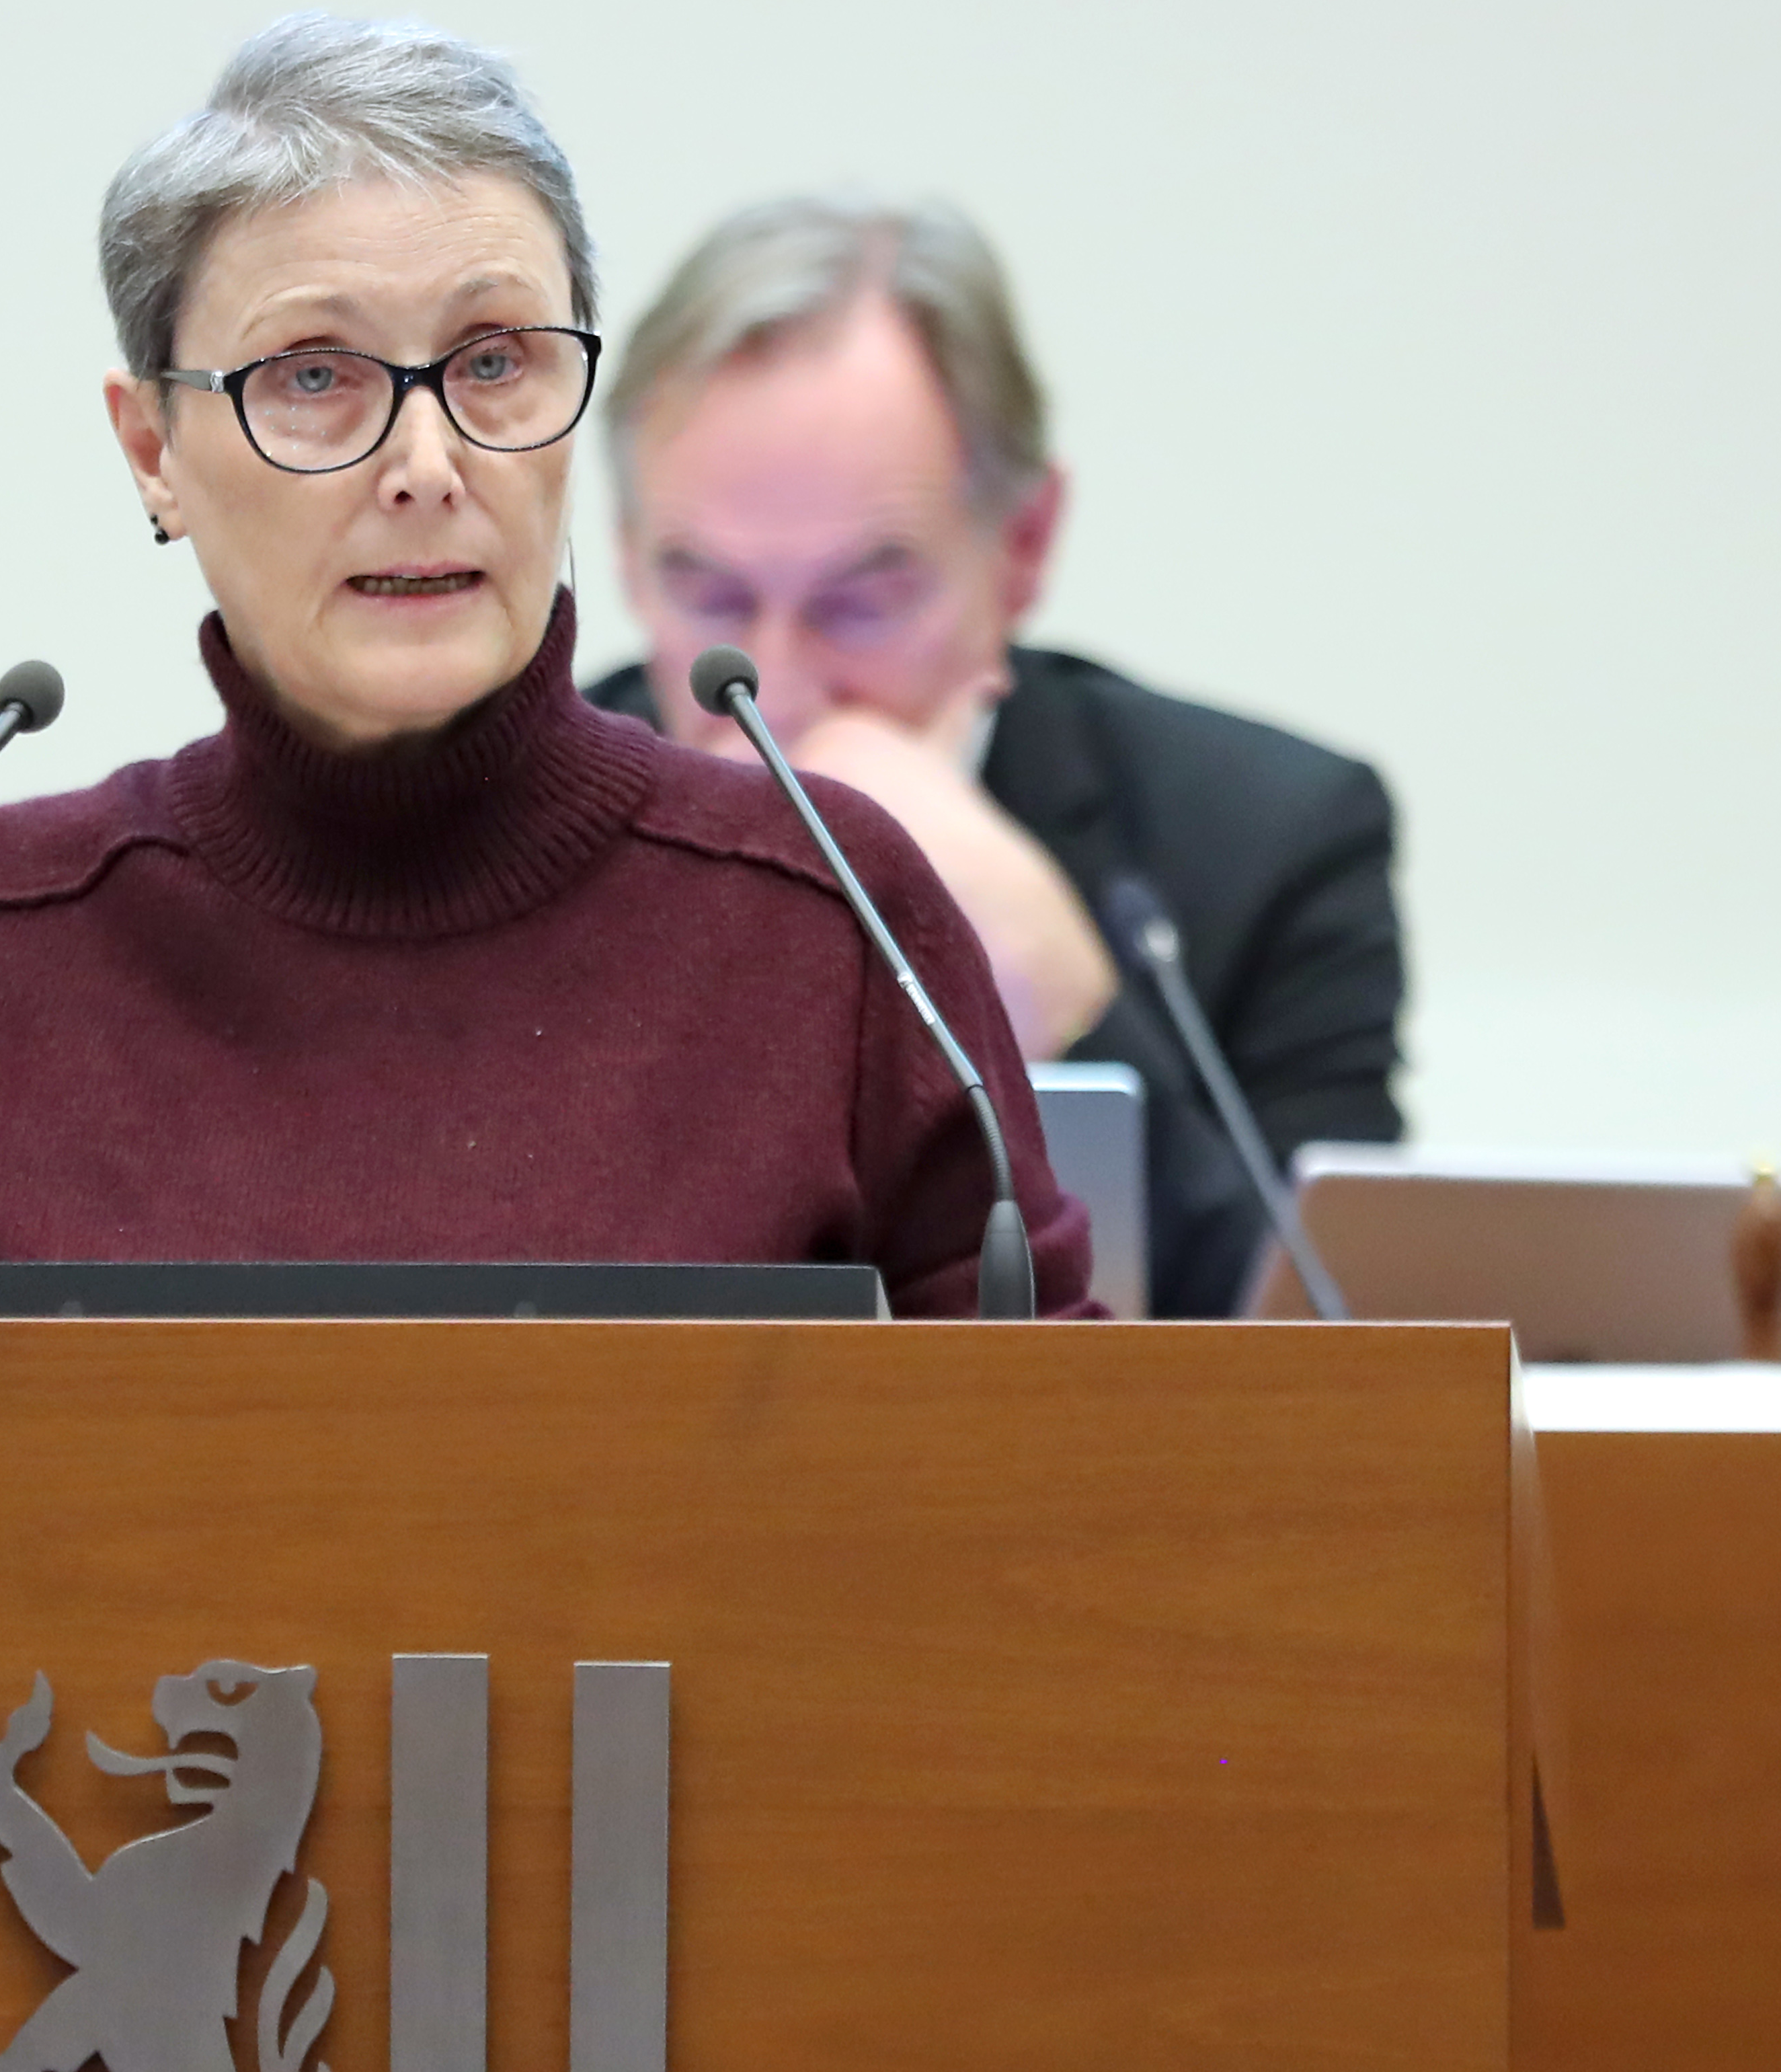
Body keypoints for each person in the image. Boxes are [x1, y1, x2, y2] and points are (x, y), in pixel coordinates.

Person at [0, 20, 1091, 1318]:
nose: (428, 470)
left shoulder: (823, 920)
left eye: (494, 361)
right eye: (316, 376)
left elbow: (1052, 1487)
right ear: (153, 449)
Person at [583, 196, 1407, 1317]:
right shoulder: (511, 827)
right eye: (710, 593)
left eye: (862, 601)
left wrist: (1067, 1004)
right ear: (629, 562)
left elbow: (1353, 1361)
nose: (777, 684)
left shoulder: (1269, 839)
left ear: (1023, 548)